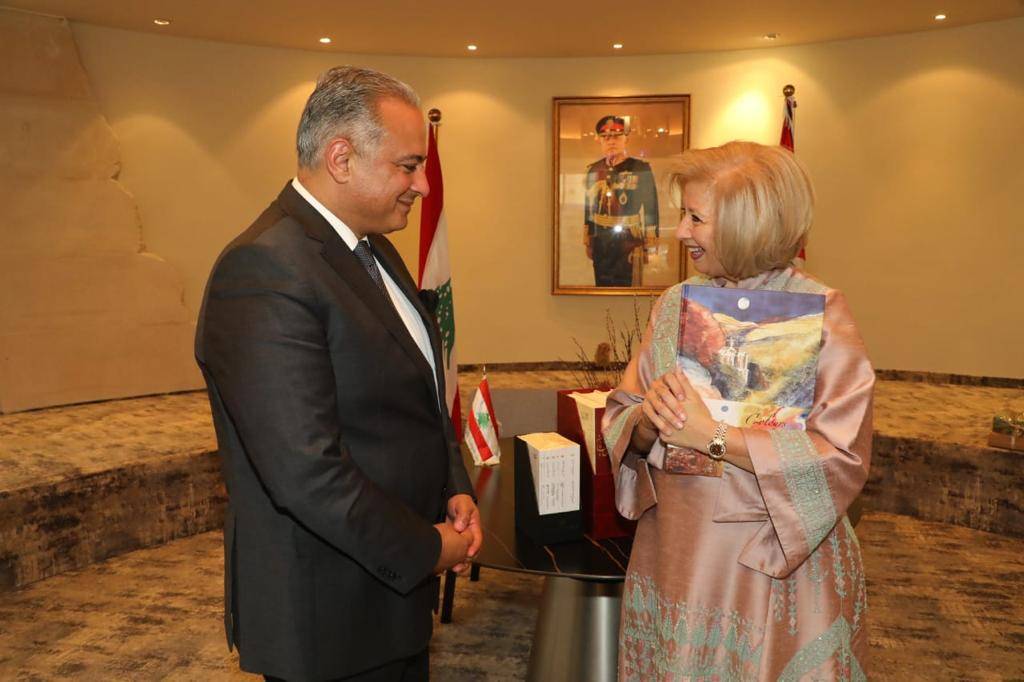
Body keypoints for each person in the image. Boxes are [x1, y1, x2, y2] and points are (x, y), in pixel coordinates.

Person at [195, 66, 481, 682]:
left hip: (392, 595)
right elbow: (307, 473)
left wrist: (452, 486)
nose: (423, 185)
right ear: (342, 158)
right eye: (409, 166)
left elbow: (418, 396)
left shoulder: (373, 247)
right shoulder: (264, 269)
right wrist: (431, 548)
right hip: (328, 617)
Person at [603, 141, 874, 680]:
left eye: (696, 218)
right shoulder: (674, 305)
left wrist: (714, 436)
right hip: (676, 554)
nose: (679, 232)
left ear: (747, 226)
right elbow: (622, 413)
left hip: (776, 563)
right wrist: (645, 423)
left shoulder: (822, 316)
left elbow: (841, 458)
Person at [583, 115, 660, 286]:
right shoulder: (594, 169)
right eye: (606, 137)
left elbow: (650, 207)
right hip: (601, 240)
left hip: (629, 239)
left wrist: (650, 244)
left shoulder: (640, 168)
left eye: (617, 137)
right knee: (602, 287)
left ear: (626, 139)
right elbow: (589, 208)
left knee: (628, 287)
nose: (611, 141)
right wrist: (589, 240)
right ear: (599, 140)